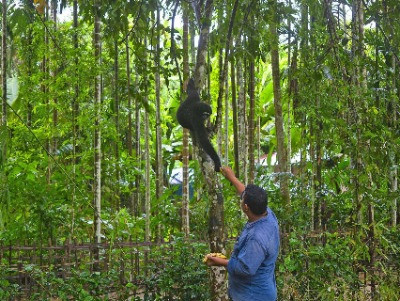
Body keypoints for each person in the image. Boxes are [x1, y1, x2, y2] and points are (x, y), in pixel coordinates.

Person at [206, 166, 280, 301]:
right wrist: (232, 178)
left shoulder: (257, 239)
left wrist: (220, 262)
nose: (241, 198)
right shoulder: (267, 214)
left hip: (253, 296)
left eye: (243, 199)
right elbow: (245, 193)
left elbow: (245, 269)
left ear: (246, 207)